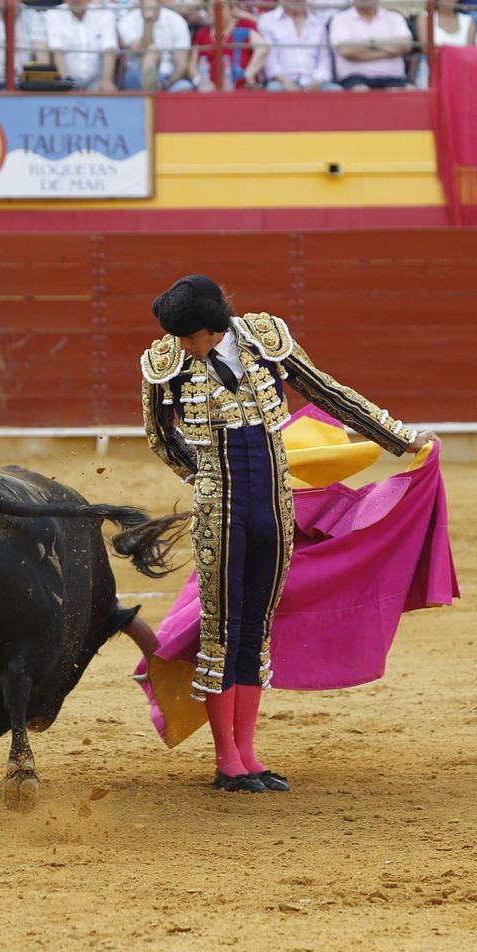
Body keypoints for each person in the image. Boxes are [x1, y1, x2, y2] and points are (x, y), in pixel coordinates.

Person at [138, 275, 437, 794]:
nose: (183, 347)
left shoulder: (264, 339)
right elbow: (159, 435)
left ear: (213, 327)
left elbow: (327, 391)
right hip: (221, 508)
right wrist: (203, 474)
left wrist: (402, 438)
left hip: (273, 503)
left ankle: (249, 753)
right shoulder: (166, 363)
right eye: (179, 338)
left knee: (256, 625)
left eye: (190, 337)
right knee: (222, 631)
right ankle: (226, 759)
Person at [255, 0, 338, 88]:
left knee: (336, 91)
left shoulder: (318, 24)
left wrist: (316, 82)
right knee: (274, 89)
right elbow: (270, 62)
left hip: (314, 83)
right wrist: (286, 82)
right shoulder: (267, 21)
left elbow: (324, 62)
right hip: (280, 82)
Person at [328, 0, 412, 85]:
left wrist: (366, 46)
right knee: (361, 94)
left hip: (393, 77)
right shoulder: (340, 19)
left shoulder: (395, 17)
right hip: (354, 79)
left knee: (409, 92)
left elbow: (405, 45)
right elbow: (345, 50)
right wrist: (387, 51)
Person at [117, 0, 194, 89]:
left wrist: (165, 84)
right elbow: (142, 50)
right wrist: (149, 20)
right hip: (136, 74)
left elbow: (181, 64)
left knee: (184, 89)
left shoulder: (177, 20)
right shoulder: (126, 21)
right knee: (152, 52)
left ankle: (153, 90)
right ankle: (151, 90)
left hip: (168, 77)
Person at [45, 0, 118, 89]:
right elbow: (57, 51)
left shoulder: (104, 14)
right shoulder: (54, 13)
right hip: (66, 80)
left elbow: (109, 50)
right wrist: (66, 83)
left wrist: (106, 81)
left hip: (97, 83)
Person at [191, 0, 263, 87]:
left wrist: (248, 74)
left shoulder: (244, 25)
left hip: (242, 89)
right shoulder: (202, 33)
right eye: (212, 7)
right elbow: (192, 66)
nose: (217, 11)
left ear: (231, 8)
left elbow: (262, 48)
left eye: (222, 7)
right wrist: (200, 81)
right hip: (208, 93)